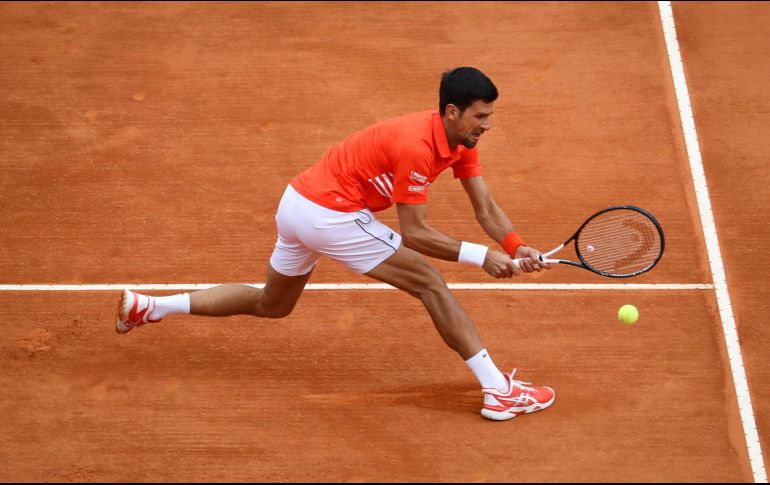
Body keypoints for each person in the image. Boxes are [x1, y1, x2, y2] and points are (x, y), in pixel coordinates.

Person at [115, 67, 555, 421]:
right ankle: (499, 391)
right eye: (481, 116)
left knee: (273, 303)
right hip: (331, 213)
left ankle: (151, 306)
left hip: (296, 204)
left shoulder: (461, 142)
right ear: (453, 111)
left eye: (491, 115)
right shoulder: (417, 146)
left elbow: (486, 208)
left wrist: (516, 245)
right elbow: (414, 233)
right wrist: (482, 256)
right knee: (430, 282)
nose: (488, 125)